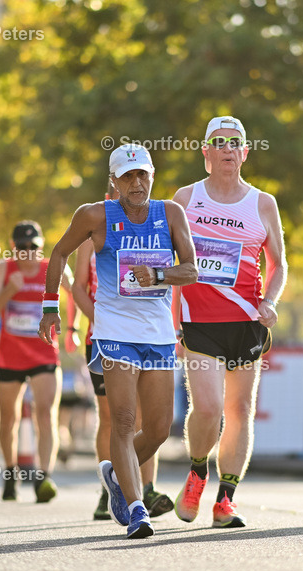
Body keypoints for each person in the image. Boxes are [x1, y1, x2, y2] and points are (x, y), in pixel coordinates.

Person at [40, 143, 198, 539]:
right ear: (114, 181)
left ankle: (114, 473)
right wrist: (49, 307)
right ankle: (136, 509)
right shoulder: (94, 215)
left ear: (152, 176)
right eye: (128, 176)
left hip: (159, 336)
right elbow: (58, 254)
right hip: (113, 334)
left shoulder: (171, 214)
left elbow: (191, 269)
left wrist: (159, 276)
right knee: (124, 421)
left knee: (160, 428)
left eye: (143, 174)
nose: (137, 182)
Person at [171, 115, 288, 528]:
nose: (226, 148)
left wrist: (270, 300)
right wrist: (170, 321)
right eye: (217, 142)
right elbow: (169, 263)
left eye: (233, 142)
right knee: (207, 408)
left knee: (240, 408)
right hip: (199, 319)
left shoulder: (262, 203)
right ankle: (197, 471)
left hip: (246, 321)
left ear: (244, 152)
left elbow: (278, 264)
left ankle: (226, 500)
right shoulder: (184, 199)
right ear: (205, 152)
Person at [72, 238, 175, 520]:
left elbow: (172, 283)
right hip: (107, 337)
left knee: (150, 422)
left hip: (150, 336)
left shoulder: (154, 226)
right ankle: (117, 493)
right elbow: (78, 288)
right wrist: (103, 322)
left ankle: (142, 484)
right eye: (116, 189)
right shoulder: (94, 229)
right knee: (115, 418)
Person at [0, 221, 71, 503]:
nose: (28, 253)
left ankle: (43, 477)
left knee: (45, 413)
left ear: (41, 246)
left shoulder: (51, 269)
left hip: (45, 353)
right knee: (8, 417)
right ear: (14, 248)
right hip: (10, 355)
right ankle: (10, 474)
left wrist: (75, 328)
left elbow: (78, 293)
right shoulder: (3, 269)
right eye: (22, 247)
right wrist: (10, 290)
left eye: (33, 247)